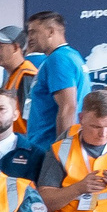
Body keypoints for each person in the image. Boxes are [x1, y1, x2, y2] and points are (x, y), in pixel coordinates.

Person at [22, 12, 87, 153]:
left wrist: (62, 153)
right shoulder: (72, 55)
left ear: (51, 32)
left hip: (47, 148)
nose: (30, 38)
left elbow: (68, 107)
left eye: (34, 32)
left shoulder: (58, 59)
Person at [0, 26, 36, 135]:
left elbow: (31, 121)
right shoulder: (12, 76)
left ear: (16, 48)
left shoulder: (27, 77)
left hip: (25, 146)